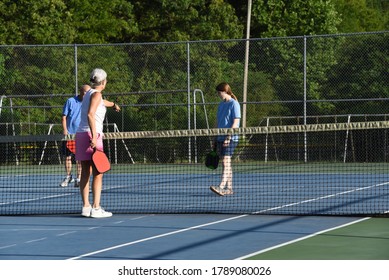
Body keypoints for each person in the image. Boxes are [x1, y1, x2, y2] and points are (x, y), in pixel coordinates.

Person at [75, 68, 120, 218]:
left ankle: (86, 207)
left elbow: (100, 102)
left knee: (85, 172)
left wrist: (113, 104)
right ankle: (96, 208)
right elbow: (90, 114)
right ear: (104, 82)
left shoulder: (89, 92)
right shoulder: (97, 94)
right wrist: (94, 136)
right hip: (91, 135)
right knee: (98, 173)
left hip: (81, 134)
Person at [209, 82, 241, 196]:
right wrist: (214, 137)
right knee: (227, 163)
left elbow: (235, 122)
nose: (218, 94)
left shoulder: (234, 104)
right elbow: (217, 122)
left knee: (225, 161)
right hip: (220, 137)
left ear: (225, 91)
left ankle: (221, 187)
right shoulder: (221, 105)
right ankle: (229, 189)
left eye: (219, 92)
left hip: (231, 137)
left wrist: (228, 137)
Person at [59, 84, 90, 187]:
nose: (87, 94)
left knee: (79, 159)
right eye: (86, 92)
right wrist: (65, 130)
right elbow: (64, 117)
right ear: (81, 91)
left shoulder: (89, 102)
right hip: (70, 135)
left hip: (81, 135)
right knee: (67, 157)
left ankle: (78, 178)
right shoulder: (70, 101)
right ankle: (68, 177)